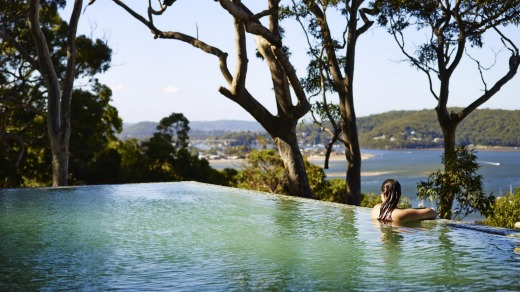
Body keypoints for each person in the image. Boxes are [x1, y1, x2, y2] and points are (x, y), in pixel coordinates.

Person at [371, 179, 437, 222]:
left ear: (383, 194)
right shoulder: (400, 214)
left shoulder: (375, 208)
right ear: (399, 194)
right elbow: (433, 213)